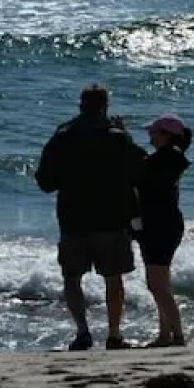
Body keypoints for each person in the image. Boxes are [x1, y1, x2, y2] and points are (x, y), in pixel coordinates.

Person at [35, 84, 146, 350]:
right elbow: (139, 170)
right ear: (106, 106)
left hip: (73, 218)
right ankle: (114, 334)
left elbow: (45, 181)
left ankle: (83, 332)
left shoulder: (63, 135)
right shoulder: (117, 137)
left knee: (72, 278)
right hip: (111, 218)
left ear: (81, 105)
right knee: (113, 278)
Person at [135, 114, 192, 348]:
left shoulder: (169, 158)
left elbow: (143, 171)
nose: (150, 138)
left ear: (167, 135)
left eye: (154, 133)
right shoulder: (168, 158)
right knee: (160, 284)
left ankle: (177, 335)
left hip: (161, 226)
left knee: (157, 285)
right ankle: (165, 334)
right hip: (161, 224)